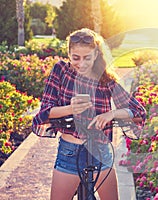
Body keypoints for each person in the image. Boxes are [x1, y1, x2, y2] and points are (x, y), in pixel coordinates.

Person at [32, 28, 146, 200]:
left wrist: (112, 114)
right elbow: (45, 113)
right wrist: (71, 109)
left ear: (96, 55)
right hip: (70, 152)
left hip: (101, 152)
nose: (82, 63)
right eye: (76, 57)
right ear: (69, 54)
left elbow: (138, 113)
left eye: (87, 58)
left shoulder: (106, 80)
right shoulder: (61, 71)